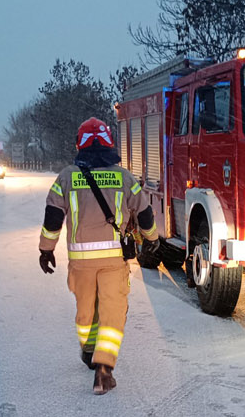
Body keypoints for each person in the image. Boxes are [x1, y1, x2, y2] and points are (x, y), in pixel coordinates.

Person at [39, 117, 158, 395]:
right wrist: (152, 240)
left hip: (81, 263)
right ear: (109, 143)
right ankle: (104, 369)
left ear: (79, 144)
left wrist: (46, 249)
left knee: (86, 311)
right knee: (112, 311)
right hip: (113, 261)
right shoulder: (124, 177)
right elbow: (144, 213)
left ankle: (89, 350)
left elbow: (53, 217)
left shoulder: (66, 177)